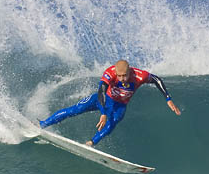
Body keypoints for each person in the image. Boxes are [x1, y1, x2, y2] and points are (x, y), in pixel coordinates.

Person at [39, 60, 181, 147]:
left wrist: (168, 98)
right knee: (74, 110)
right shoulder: (110, 73)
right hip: (102, 100)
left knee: (112, 123)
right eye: (119, 76)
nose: (121, 78)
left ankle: (91, 143)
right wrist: (103, 113)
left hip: (120, 106)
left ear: (130, 71)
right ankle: (43, 124)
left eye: (124, 75)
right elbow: (101, 91)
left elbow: (157, 80)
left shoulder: (140, 75)